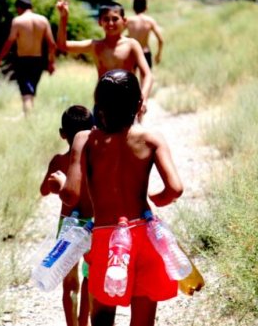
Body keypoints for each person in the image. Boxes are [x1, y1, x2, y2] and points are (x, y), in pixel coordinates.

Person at [56, 69, 184, 326]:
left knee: (103, 318)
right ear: (139, 104)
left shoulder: (85, 139)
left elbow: (71, 196)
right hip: (144, 234)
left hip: (106, 239)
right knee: (143, 318)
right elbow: (175, 188)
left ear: (98, 106)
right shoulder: (151, 138)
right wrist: (158, 199)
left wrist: (61, 183)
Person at [54, 0, 152, 118]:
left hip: (127, 103)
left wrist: (144, 98)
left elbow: (147, 74)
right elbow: (63, 45)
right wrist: (63, 18)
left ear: (124, 21)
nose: (110, 23)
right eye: (106, 19)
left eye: (115, 19)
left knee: (127, 137)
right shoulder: (95, 45)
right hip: (102, 104)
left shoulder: (132, 45)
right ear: (100, 22)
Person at [40, 105, 95, 326]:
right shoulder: (95, 161)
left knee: (70, 283)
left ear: (62, 134)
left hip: (68, 225)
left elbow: (44, 190)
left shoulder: (58, 161)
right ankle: (84, 322)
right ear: (92, 129)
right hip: (93, 223)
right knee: (90, 278)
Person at [0, 0, 57, 115]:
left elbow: (9, 43)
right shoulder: (43, 20)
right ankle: (30, 116)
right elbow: (52, 44)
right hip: (38, 60)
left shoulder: (18, 21)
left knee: (26, 94)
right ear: (31, 7)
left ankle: (29, 119)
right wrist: (51, 62)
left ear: (19, 8)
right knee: (31, 91)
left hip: (23, 61)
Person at [126, 0, 164, 68]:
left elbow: (117, 35)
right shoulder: (150, 21)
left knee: (130, 78)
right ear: (146, 7)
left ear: (133, 8)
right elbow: (160, 40)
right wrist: (158, 55)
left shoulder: (128, 20)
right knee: (146, 77)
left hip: (131, 53)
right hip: (145, 52)